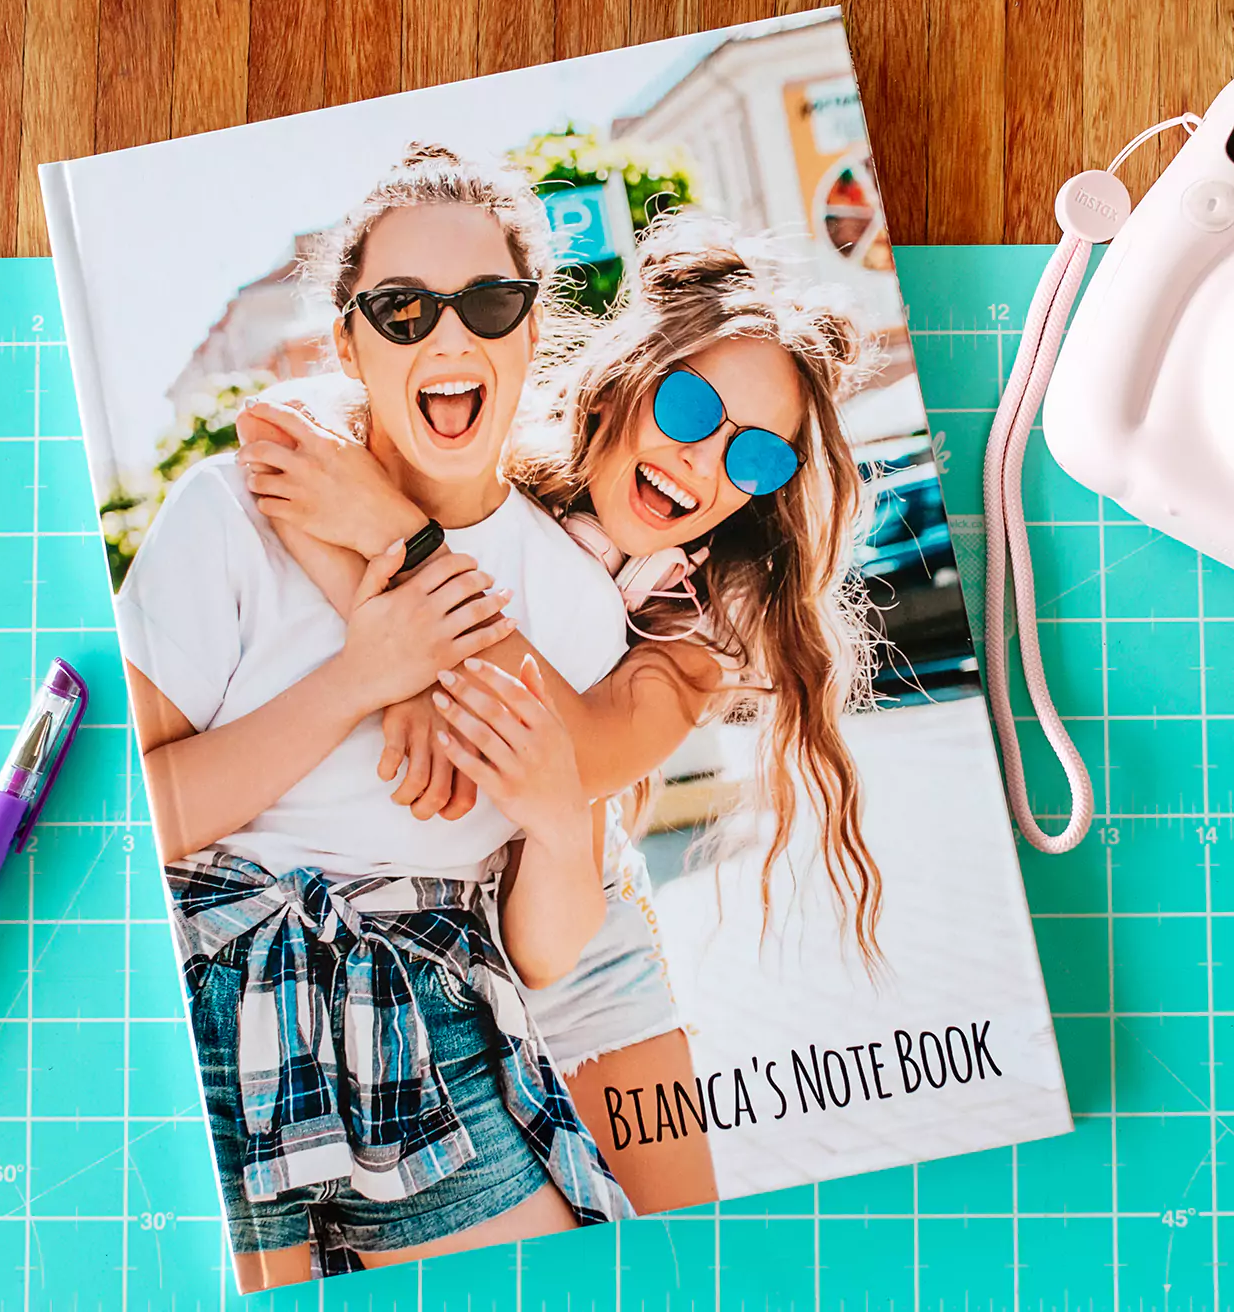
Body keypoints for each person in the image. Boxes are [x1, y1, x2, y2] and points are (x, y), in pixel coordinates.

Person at [237, 210, 883, 1215]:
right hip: (404, 963)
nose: (705, 461)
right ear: (629, 376)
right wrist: (407, 675)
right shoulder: (483, 477)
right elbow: (285, 426)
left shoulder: (694, 639)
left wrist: (394, 536)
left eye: (756, 458)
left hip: (587, 972)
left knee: (676, 1255)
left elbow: (573, 755)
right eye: (687, 405)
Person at [118, 143, 634, 1292]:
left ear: (530, 332)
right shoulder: (240, 509)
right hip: (204, 1005)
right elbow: (126, 820)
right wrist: (367, 673)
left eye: (487, 304)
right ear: (347, 342)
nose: (447, 340)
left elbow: (541, 956)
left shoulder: (578, 610)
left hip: (431, 1016)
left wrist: (560, 828)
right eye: (401, 310)